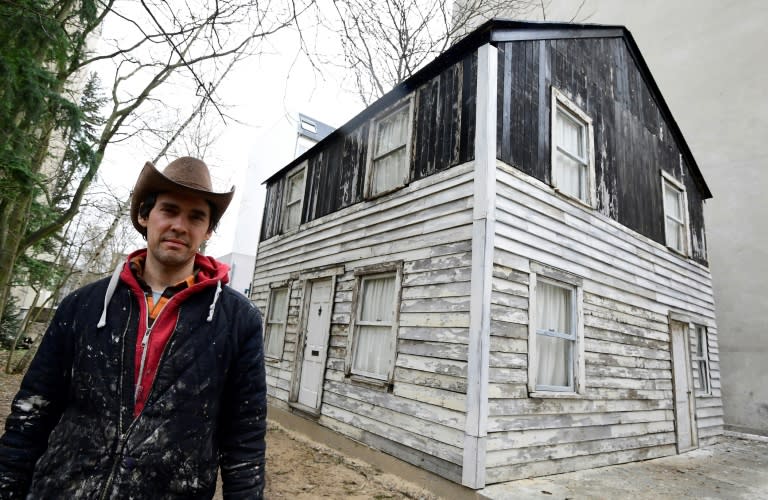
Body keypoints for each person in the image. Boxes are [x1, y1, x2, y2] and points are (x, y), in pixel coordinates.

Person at [0, 157, 267, 499]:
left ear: (208, 230)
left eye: (195, 216)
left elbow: (244, 437)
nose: (179, 226)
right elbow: (32, 411)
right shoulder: (83, 306)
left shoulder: (238, 319)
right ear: (145, 215)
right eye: (169, 210)